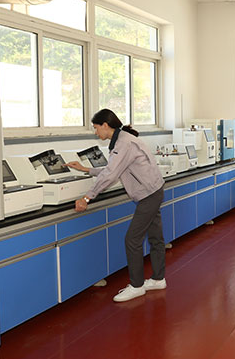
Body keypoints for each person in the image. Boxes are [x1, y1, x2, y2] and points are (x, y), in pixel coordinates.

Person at [66, 109, 167, 303]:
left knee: (132, 240)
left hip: (149, 195)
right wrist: (86, 169)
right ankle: (158, 279)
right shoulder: (123, 140)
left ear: (105, 125)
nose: (95, 132)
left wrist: (87, 198)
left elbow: (111, 173)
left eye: (96, 128)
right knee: (155, 237)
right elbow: (113, 169)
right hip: (153, 191)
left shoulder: (123, 143)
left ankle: (137, 286)